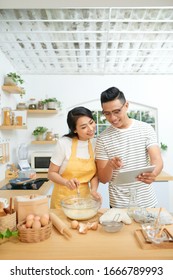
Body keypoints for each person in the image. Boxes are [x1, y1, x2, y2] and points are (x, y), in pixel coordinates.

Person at [95, 86, 163, 209]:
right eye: (107, 114)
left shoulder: (146, 129)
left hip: (147, 203)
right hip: (118, 205)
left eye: (116, 112)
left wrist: (153, 173)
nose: (113, 118)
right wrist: (110, 165)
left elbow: (157, 160)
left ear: (126, 105)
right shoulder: (102, 139)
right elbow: (104, 179)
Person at [48, 106, 102, 208]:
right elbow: (51, 173)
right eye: (83, 127)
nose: (90, 129)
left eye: (91, 122)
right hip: (62, 200)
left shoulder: (95, 143)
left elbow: (95, 175)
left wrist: (94, 190)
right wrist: (66, 182)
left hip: (85, 200)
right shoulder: (63, 143)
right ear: (75, 130)